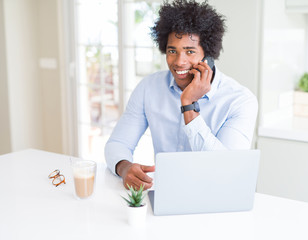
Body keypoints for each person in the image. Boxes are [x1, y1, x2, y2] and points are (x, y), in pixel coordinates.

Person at [105, 0, 258, 190]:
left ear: (208, 56)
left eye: (190, 51)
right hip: (165, 193)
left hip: (215, 197)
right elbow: (117, 144)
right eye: (172, 51)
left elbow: (226, 169)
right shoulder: (148, 88)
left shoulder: (240, 101)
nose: (179, 62)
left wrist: (189, 104)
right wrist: (124, 167)